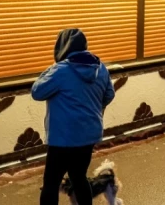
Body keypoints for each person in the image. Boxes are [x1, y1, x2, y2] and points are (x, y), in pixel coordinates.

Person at [33, 28, 116, 205]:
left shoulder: (60, 70)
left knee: (51, 183)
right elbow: (109, 94)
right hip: (88, 135)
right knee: (79, 177)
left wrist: (51, 67)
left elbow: (37, 92)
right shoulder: (100, 68)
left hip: (63, 138)